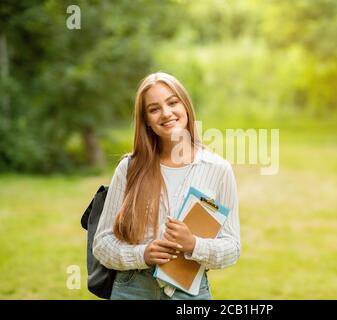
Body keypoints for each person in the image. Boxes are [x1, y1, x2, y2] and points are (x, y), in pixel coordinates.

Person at [92, 72, 240, 300]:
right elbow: (102, 245)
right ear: (147, 122)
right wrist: (144, 254)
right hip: (133, 288)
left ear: (186, 107)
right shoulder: (129, 168)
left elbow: (232, 249)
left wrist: (193, 244)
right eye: (154, 109)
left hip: (190, 293)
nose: (166, 113)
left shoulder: (218, 170)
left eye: (172, 103)